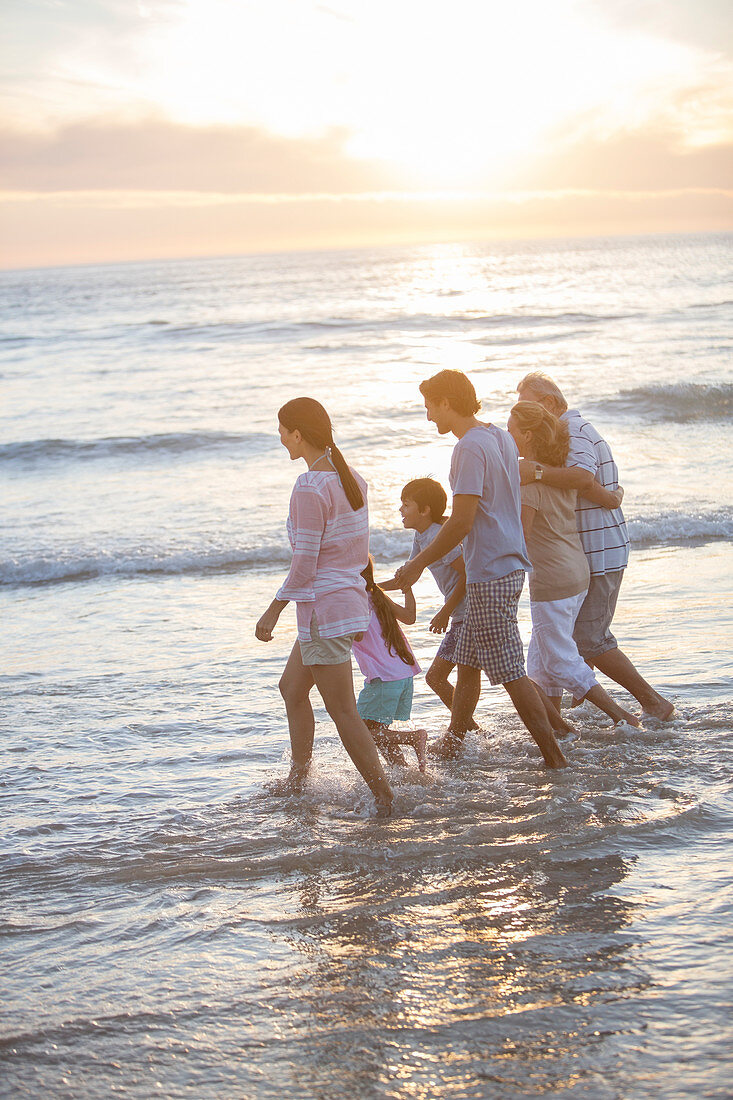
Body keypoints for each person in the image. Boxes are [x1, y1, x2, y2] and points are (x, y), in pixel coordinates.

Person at [394, 369, 568, 769]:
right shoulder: (499, 436)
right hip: (507, 563)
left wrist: (418, 563)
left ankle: (555, 756)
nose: (428, 417)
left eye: (430, 407)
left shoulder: (469, 447)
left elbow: (461, 520)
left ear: (446, 402)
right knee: (469, 663)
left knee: (510, 671)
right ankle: (456, 742)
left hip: (489, 571)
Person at [255, 397, 393, 816]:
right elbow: (354, 551)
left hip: (323, 612)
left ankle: (384, 797)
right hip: (346, 605)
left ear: (298, 433)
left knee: (343, 712)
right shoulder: (352, 478)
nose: (280, 439)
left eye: (282, 430)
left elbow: (305, 562)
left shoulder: (310, 486)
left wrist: (273, 609)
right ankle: (300, 782)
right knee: (292, 689)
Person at [515, 372, 674, 721]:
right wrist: (612, 497)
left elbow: (583, 478)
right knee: (557, 644)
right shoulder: (565, 436)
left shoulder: (573, 431)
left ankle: (652, 703)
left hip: (597, 552)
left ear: (550, 404)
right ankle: (554, 719)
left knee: (589, 639)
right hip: (582, 554)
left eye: (527, 405)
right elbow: (588, 485)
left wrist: (534, 471)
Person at [508, 401, 640, 727]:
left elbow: (519, 538)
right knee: (541, 662)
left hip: (552, 580)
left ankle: (622, 716)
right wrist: (611, 497)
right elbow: (588, 485)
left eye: (511, 430)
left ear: (525, 435)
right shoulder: (557, 471)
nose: (507, 435)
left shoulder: (529, 479)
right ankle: (558, 727)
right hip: (576, 572)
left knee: (560, 661)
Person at [391, 477, 478, 732]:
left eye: (406, 505)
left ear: (425, 510)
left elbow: (467, 574)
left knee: (441, 677)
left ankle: (463, 732)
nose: (400, 510)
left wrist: (445, 612)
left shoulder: (439, 536)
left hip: (468, 612)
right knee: (441, 677)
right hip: (460, 614)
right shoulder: (421, 536)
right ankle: (468, 730)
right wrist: (368, 586)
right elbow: (407, 576)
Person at [351, 557, 428, 771]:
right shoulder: (377, 596)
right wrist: (407, 589)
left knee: (362, 731)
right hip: (402, 675)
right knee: (380, 730)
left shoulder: (357, 600)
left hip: (384, 678)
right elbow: (410, 617)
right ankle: (402, 771)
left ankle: (414, 737)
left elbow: (356, 635)